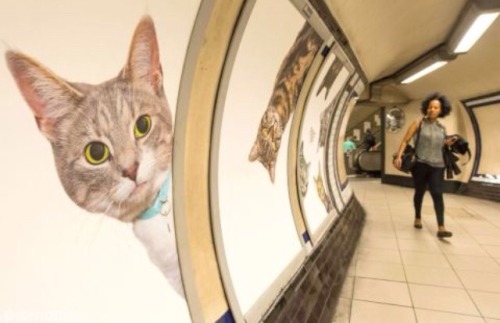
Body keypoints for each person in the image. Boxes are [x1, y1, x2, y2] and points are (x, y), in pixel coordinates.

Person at [393, 92, 456, 238]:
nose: (432, 109)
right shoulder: (418, 123)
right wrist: (399, 156)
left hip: (438, 165)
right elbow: (405, 140)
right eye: (430, 107)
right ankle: (417, 217)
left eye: (436, 107)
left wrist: (446, 142)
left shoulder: (442, 128)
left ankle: (441, 227)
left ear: (441, 110)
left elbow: (440, 145)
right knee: (420, 191)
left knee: (437, 193)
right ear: (426, 108)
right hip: (420, 163)